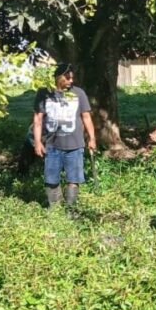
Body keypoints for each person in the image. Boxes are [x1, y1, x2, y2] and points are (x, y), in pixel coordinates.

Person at [33, 63, 97, 209]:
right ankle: (54, 210)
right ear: (59, 77)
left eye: (72, 78)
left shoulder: (78, 93)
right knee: (51, 179)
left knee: (74, 179)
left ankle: (70, 209)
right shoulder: (44, 93)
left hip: (75, 145)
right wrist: (38, 142)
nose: (71, 81)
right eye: (67, 78)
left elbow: (86, 117)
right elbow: (38, 119)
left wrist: (92, 138)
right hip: (52, 146)